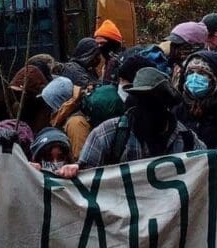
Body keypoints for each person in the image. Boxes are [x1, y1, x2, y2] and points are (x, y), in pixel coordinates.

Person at [72, 67, 206, 172]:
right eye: (141, 99)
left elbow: (207, 171)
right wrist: (73, 171)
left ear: (166, 103)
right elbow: (85, 180)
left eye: (154, 100)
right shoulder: (107, 134)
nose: (148, 106)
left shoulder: (187, 140)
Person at [173, 50, 217, 148]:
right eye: (190, 72)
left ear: (216, 78)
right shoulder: (178, 110)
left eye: (202, 73)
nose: (194, 77)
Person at [41, 76, 92, 158]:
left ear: (58, 103)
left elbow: (82, 158)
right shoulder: (69, 118)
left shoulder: (75, 124)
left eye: (50, 104)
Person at [9, 64, 52, 130]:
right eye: (16, 93)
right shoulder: (18, 106)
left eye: (20, 93)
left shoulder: (45, 108)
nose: (18, 96)